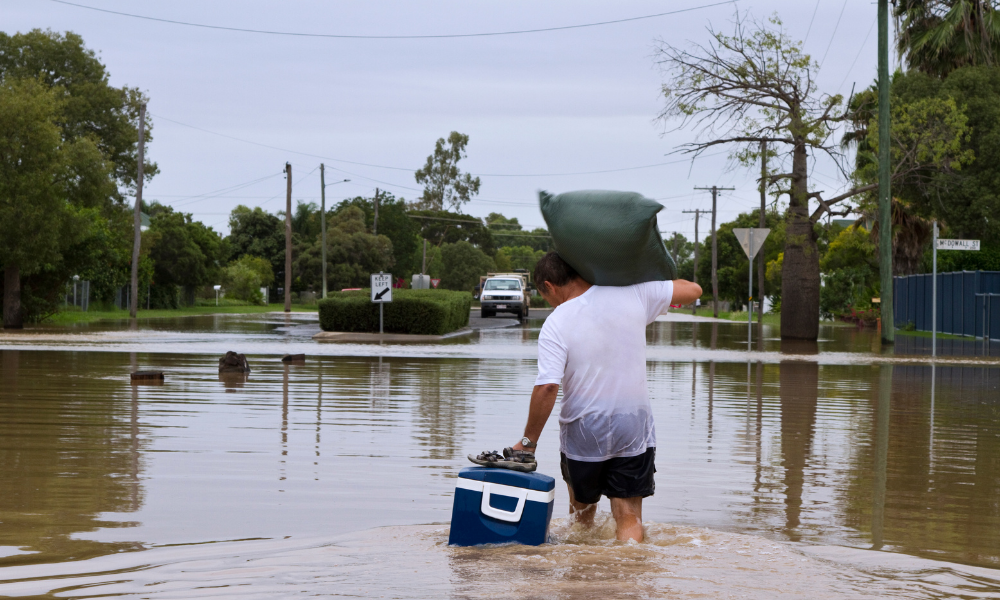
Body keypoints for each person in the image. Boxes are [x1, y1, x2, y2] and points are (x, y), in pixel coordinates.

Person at [510, 251, 702, 542]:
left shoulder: (557, 322)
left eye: (544, 295)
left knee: (581, 518)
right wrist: (640, 278)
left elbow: (548, 387)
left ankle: (584, 579)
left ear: (549, 286)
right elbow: (693, 290)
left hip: (583, 430)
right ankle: (630, 571)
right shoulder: (634, 293)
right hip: (633, 428)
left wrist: (527, 443)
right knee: (629, 516)